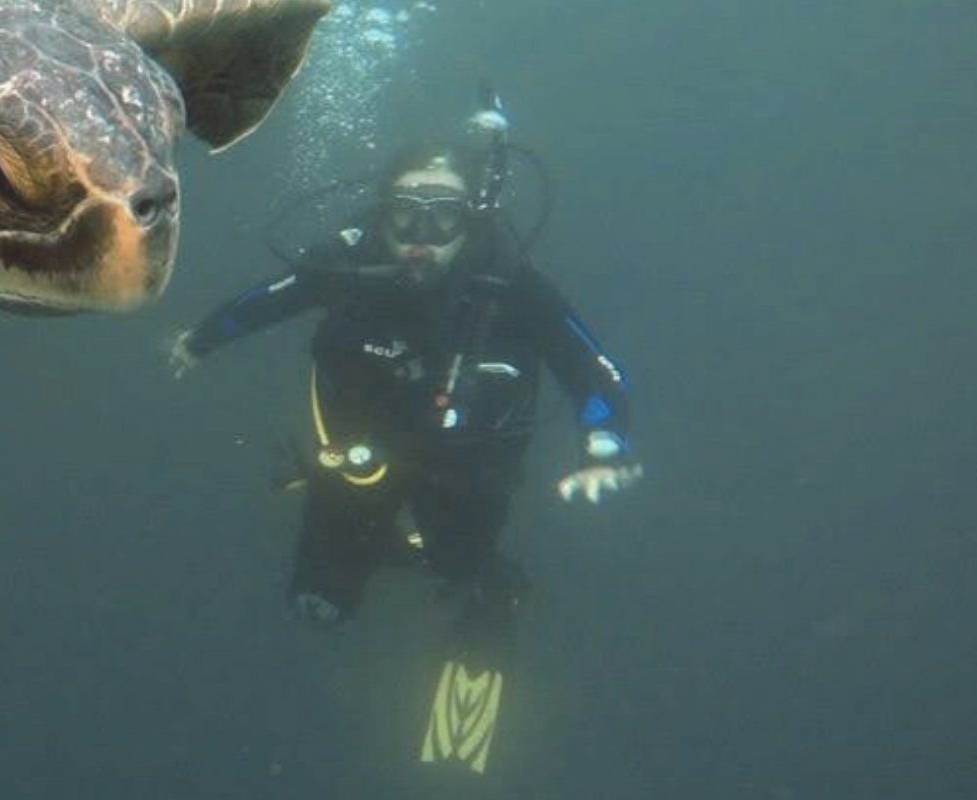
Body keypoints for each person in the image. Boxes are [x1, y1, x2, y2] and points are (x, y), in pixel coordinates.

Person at [168, 140, 641, 774]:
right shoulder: (349, 265)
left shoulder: (509, 284)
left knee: (458, 563)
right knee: (317, 608)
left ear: (470, 219)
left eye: (443, 215)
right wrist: (199, 340)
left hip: (464, 472)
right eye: (404, 214)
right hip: (356, 470)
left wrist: (604, 445)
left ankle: (491, 592)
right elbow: (267, 299)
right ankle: (388, 566)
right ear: (380, 214)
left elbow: (594, 373)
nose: (422, 234)